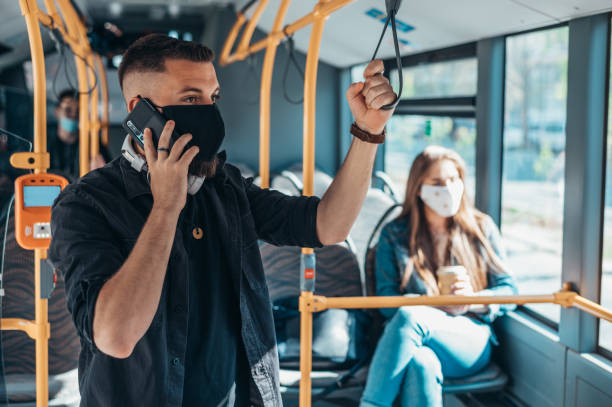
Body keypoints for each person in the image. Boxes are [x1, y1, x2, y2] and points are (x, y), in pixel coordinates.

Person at [48, 33, 397, 406]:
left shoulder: (224, 186)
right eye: (190, 99)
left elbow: (328, 225)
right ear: (140, 110)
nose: (208, 111)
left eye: (212, 97)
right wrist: (166, 207)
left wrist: (369, 131)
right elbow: (115, 337)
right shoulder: (85, 205)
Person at [360, 146, 517, 407]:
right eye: (437, 182)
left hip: (469, 337)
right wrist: (434, 303)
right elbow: (386, 302)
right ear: (418, 188)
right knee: (422, 363)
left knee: (410, 315)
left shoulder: (481, 228)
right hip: (415, 337)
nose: (448, 188)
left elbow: (510, 290)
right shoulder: (395, 234)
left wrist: (471, 301)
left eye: (454, 180)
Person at [49, 89, 109, 179]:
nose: (73, 115)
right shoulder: (43, 145)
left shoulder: (94, 145)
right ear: (57, 112)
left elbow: (108, 174)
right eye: (68, 110)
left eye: (78, 111)